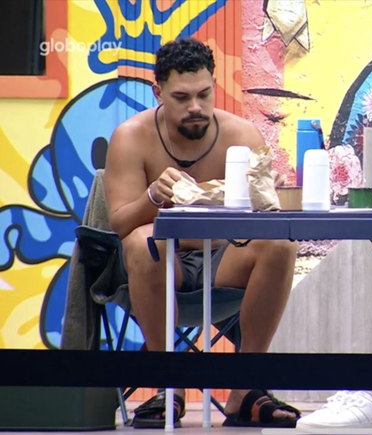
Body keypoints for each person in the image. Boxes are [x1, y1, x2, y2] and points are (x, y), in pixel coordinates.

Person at [103, 38, 300, 428]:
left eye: (204, 94)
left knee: (280, 243)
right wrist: (152, 197)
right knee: (143, 242)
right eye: (181, 97)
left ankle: (244, 387)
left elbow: (264, 223)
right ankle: (169, 384)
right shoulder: (131, 136)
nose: (195, 106)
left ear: (214, 85)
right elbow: (121, 224)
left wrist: (267, 194)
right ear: (158, 92)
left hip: (224, 260)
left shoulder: (241, 135)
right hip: (162, 263)